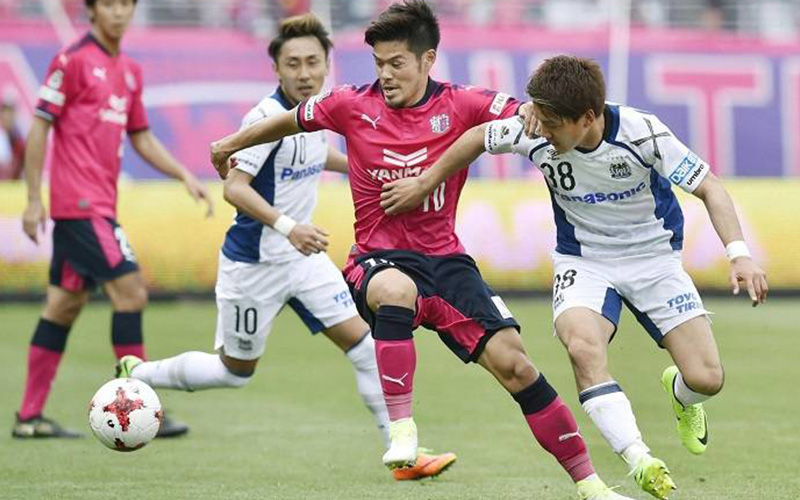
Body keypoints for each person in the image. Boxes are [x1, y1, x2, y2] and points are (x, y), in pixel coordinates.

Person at [210, 3, 634, 499]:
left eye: (397, 63)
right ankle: (403, 432)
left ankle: (591, 485)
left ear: (428, 59)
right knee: (395, 290)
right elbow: (287, 122)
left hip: (448, 263)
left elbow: (518, 110)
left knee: (517, 365)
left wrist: (527, 112)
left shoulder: (462, 103)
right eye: (379, 64)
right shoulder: (350, 103)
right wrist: (229, 144)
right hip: (376, 258)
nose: (386, 75)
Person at [380, 54, 769, 500]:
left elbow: (709, 187)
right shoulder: (532, 127)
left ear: (587, 117)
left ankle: (681, 396)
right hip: (583, 262)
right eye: (538, 118)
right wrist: (425, 184)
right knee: (583, 348)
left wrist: (739, 254)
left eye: (551, 123)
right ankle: (639, 458)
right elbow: (474, 138)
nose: (540, 130)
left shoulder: (643, 132)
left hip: (655, 261)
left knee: (706, 379)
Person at [116, 13, 455, 481]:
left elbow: (319, 157)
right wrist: (288, 225)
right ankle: (139, 371)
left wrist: (370, 168)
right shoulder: (263, 120)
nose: (303, 72)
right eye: (292, 63)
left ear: (326, 64)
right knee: (235, 371)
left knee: (364, 345)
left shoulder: (319, 115)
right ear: (277, 68)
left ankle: (403, 455)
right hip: (254, 264)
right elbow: (235, 187)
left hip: (303, 261)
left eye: (312, 62)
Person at [13, 0, 213, 439]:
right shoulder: (72, 61)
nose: (119, 13)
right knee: (132, 292)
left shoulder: (130, 71)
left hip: (99, 206)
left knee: (62, 308)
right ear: (92, 10)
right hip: (81, 208)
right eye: (109, 4)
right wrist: (32, 199)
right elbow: (41, 125)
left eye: (126, 4)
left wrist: (183, 174)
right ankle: (136, 404)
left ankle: (29, 418)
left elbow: (140, 136)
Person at [0, 92, 25, 180]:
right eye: (5, 112)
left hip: (12, 189)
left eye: (10, 112)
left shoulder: (19, 141)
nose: (8, 116)